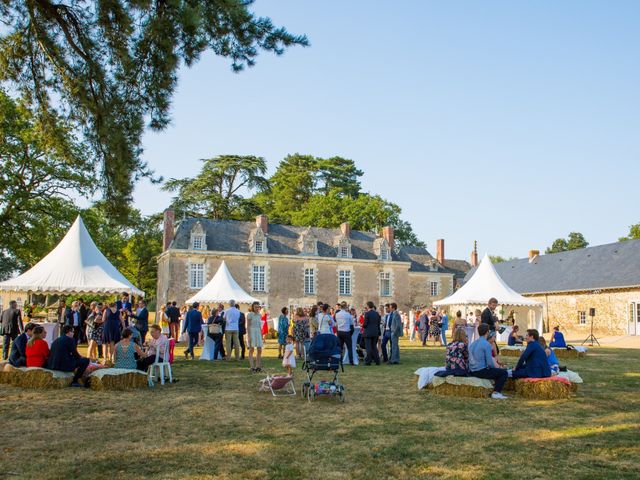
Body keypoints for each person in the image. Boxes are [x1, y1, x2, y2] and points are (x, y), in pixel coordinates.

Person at [468, 323, 509, 399]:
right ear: (487, 332)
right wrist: (499, 368)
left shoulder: (473, 343)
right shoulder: (486, 344)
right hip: (480, 371)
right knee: (503, 373)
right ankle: (496, 392)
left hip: (471, 370)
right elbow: (490, 363)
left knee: (497, 371)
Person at [362, 301, 381, 366]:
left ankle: (368, 361)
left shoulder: (367, 314)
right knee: (374, 347)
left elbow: (365, 324)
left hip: (368, 333)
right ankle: (377, 360)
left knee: (368, 348)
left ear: (367, 306)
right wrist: (379, 332)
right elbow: (378, 324)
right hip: (375, 332)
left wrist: (362, 325)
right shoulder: (377, 314)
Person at [246, 301, 264, 373]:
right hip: (251, 332)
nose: (257, 308)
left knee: (259, 349)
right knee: (251, 349)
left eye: (258, 307)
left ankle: (258, 366)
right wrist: (249, 336)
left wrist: (261, 335)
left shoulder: (259, 315)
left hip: (258, 332)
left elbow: (260, 325)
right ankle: (252, 367)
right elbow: (248, 326)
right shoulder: (250, 314)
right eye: (255, 307)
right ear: (253, 307)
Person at [335, 301, 354, 365]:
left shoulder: (337, 314)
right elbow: (352, 325)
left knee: (340, 347)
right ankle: (351, 361)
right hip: (346, 332)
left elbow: (337, 323)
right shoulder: (348, 315)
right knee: (349, 347)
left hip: (340, 331)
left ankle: (339, 360)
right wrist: (350, 333)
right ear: (346, 307)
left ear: (340, 306)